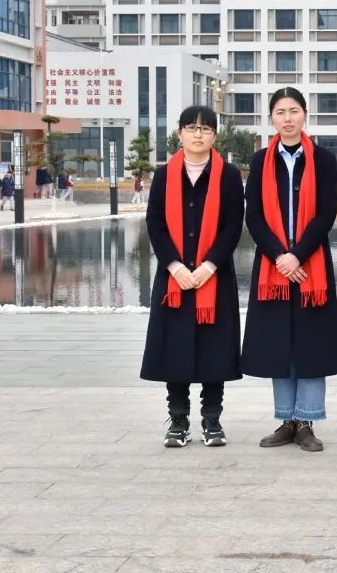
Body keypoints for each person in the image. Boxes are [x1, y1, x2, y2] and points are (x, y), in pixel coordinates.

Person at [241, 87, 337, 453]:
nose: (287, 118)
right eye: (280, 112)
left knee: (312, 343)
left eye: (294, 111)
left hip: (311, 263)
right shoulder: (260, 161)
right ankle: (286, 420)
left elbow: (326, 214)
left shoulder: (324, 160)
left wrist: (297, 255)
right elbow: (254, 215)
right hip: (273, 268)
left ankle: (306, 421)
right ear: (272, 118)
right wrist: (279, 256)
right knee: (278, 343)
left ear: (304, 114)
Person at [140, 106, 245, 447]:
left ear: (215, 135)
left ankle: (212, 419)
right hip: (174, 279)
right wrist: (175, 266)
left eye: (205, 129)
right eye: (191, 127)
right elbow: (155, 223)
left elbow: (232, 225)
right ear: (180, 134)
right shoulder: (164, 175)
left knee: (215, 350)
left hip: (215, 277)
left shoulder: (228, 176)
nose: (198, 134)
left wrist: (208, 266)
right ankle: (178, 419)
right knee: (176, 349)